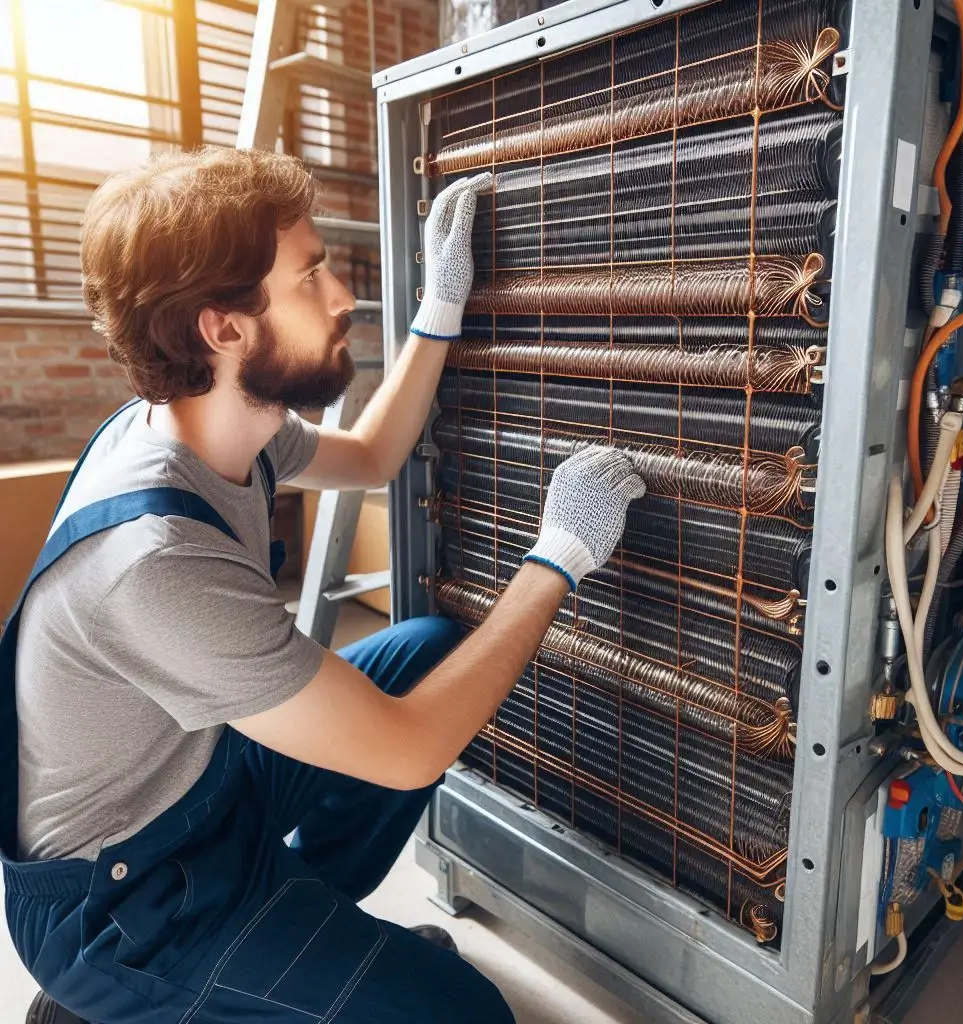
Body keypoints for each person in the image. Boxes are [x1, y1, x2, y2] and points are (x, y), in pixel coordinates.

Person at [0, 147, 645, 1024]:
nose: (343, 297)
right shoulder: (154, 561)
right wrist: (558, 557)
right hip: (124, 907)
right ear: (223, 328)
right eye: (310, 277)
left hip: (198, 786)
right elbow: (412, 747)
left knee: (422, 653)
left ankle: (299, 936)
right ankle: (128, 1005)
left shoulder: (224, 427)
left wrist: (441, 308)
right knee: (469, 1016)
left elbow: (376, 453)